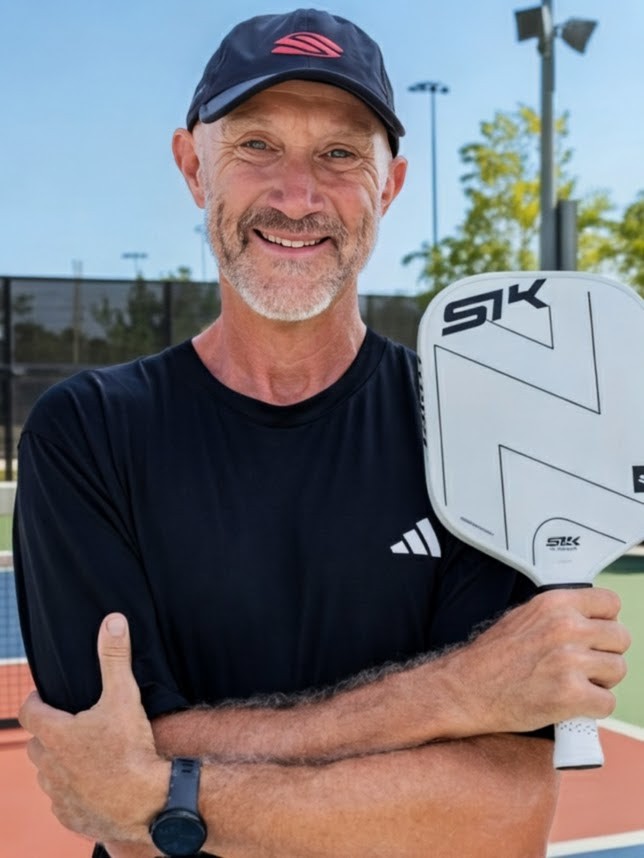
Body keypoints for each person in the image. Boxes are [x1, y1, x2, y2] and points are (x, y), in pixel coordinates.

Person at [15, 9, 629, 858]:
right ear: (193, 166)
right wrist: (455, 693)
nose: (297, 196)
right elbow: (101, 781)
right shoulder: (85, 433)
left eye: (340, 154)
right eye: (256, 145)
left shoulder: (470, 434)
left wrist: (166, 793)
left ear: (391, 185)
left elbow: (501, 819)